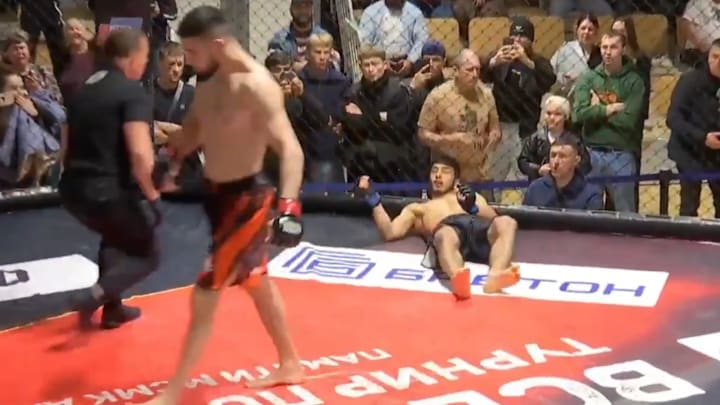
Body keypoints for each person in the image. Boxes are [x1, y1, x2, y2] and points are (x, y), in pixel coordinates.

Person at [134, 6, 306, 404]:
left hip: (246, 202)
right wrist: (171, 159)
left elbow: (291, 149)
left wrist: (289, 206)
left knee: (205, 291)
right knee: (256, 282)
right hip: (217, 196)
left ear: (216, 44)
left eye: (192, 52)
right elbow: (197, 128)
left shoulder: (257, 85)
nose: (187, 61)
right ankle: (290, 362)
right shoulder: (208, 79)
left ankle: (173, 393)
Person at [59, 28, 161, 330]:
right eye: (145, 57)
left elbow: (64, 144)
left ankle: (113, 310)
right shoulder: (132, 91)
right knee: (147, 255)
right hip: (105, 191)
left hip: (72, 190)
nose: (146, 64)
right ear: (131, 57)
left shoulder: (83, 89)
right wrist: (152, 196)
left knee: (115, 237)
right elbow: (141, 155)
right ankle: (93, 297)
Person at [356, 155, 520, 300]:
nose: (438, 175)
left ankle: (495, 275)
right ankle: (458, 278)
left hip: (477, 230)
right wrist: (373, 198)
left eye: (445, 171)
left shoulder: (470, 197)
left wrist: (472, 208)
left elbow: (495, 221)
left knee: (508, 222)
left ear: (456, 181)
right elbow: (390, 232)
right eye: (434, 171)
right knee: (445, 234)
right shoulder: (419, 209)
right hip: (450, 232)